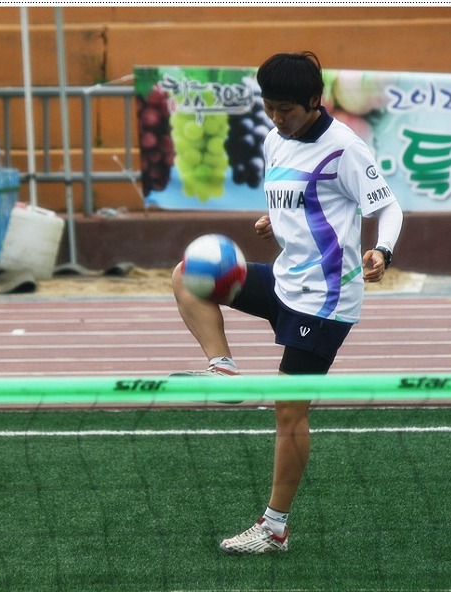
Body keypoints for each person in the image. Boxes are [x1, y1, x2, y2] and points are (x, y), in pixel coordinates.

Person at [171, 52, 403, 555]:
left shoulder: (345, 148)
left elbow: (388, 207)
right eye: (269, 107)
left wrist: (382, 250)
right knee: (188, 277)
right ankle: (222, 369)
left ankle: (274, 527)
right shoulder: (275, 140)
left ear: (314, 101)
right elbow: (301, 202)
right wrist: (273, 220)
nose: (276, 118)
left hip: (325, 300)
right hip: (284, 280)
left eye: (286, 110)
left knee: (288, 410)